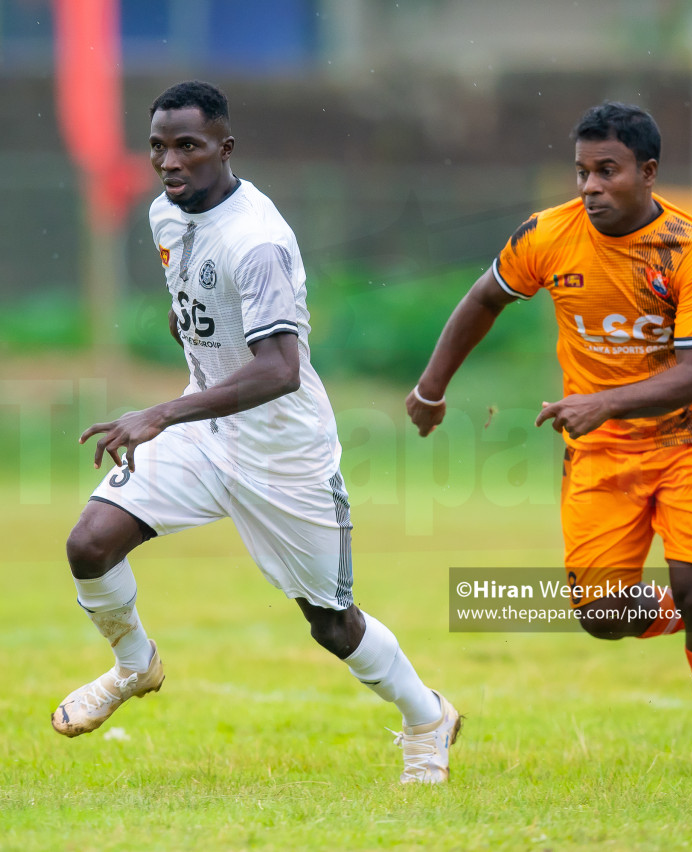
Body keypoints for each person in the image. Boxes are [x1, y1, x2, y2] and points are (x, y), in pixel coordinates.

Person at [52, 81, 461, 784]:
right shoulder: (164, 216)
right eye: (158, 146)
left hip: (282, 452)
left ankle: (427, 717)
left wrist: (156, 414)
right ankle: (133, 666)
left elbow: (278, 368)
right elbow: (196, 311)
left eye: (188, 146)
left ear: (225, 149)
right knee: (89, 544)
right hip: (205, 431)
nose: (170, 161)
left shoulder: (259, 240)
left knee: (331, 623)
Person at [407, 102, 692, 778]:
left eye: (608, 171)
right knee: (601, 614)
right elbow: (484, 298)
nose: (590, 186)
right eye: (581, 172)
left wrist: (603, 401)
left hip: (691, 442)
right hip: (602, 452)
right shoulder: (547, 235)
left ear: (648, 172)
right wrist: (431, 389)